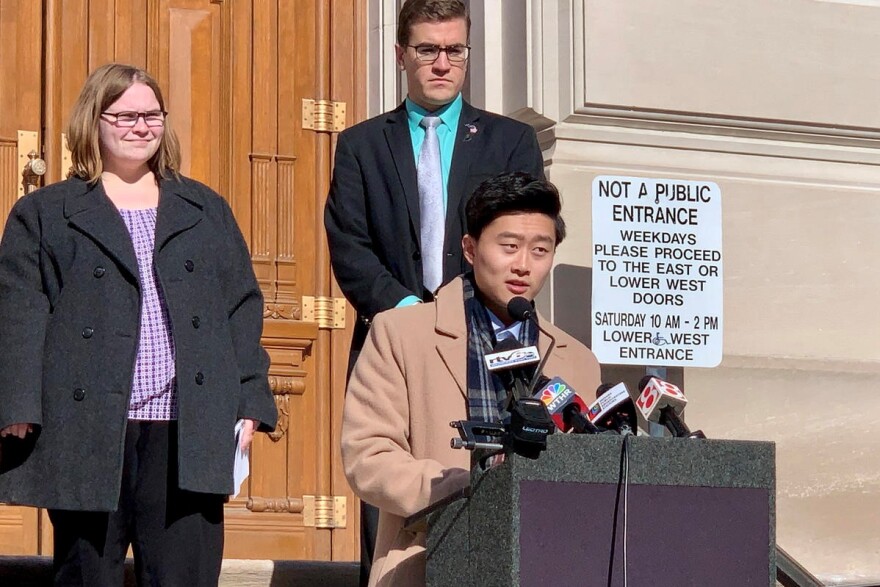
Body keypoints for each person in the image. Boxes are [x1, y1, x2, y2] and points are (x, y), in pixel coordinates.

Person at [0, 63, 277, 586]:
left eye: (151, 114)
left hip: (186, 426)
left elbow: (241, 306)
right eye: (124, 115)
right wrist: (17, 403)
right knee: (88, 575)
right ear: (94, 121)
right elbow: (19, 309)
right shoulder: (45, 213)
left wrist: (251, 399)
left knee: (183, 576)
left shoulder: (205, 208)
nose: (140, 126)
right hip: (89, 426)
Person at [324, 1, 544, 578]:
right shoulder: (360, 145)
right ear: (401, 55)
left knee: (494, 494)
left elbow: (521, 237)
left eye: (455, 51)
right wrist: (411, 314)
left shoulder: (510, 141)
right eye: (427, 50)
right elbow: (350, 246)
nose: (442, 64)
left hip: (488, 345)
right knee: (393, 501)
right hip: (393, 342)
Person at [341, 172, 602, 586]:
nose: (523, 265)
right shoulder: (401, 333)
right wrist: (468, 490)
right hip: (430, 557)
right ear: (470, 248)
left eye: (540, 250)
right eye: (509, 246)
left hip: (545, 564)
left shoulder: (578, 360)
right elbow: (367, 455)